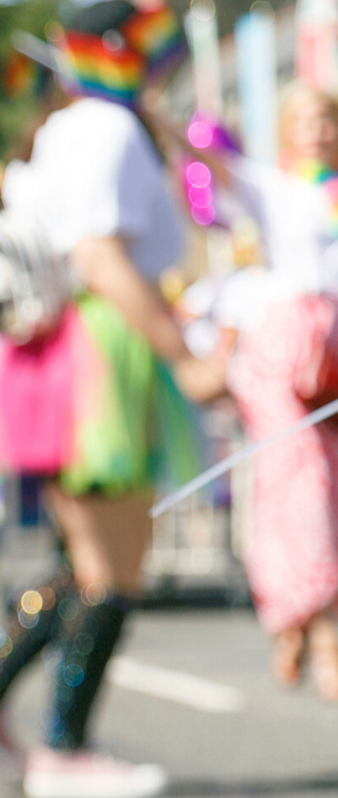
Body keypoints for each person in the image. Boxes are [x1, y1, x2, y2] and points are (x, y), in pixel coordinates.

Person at [0, 3, 223, 796]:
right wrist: (186, 359)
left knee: (85, 559)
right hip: (103, 353)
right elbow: (101, 258)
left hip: (56, 355)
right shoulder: (106, 130)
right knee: (112, 570)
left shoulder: (65, 129)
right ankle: (61, 750)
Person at [217, 85, 338, 697]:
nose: (316, 129)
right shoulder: (272, 187)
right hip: (287, 349)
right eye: (304, 119)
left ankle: (297, 620)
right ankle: (319, 633)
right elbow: (208, 159)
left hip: (334, 349)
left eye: (326, 118)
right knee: (299, 485)